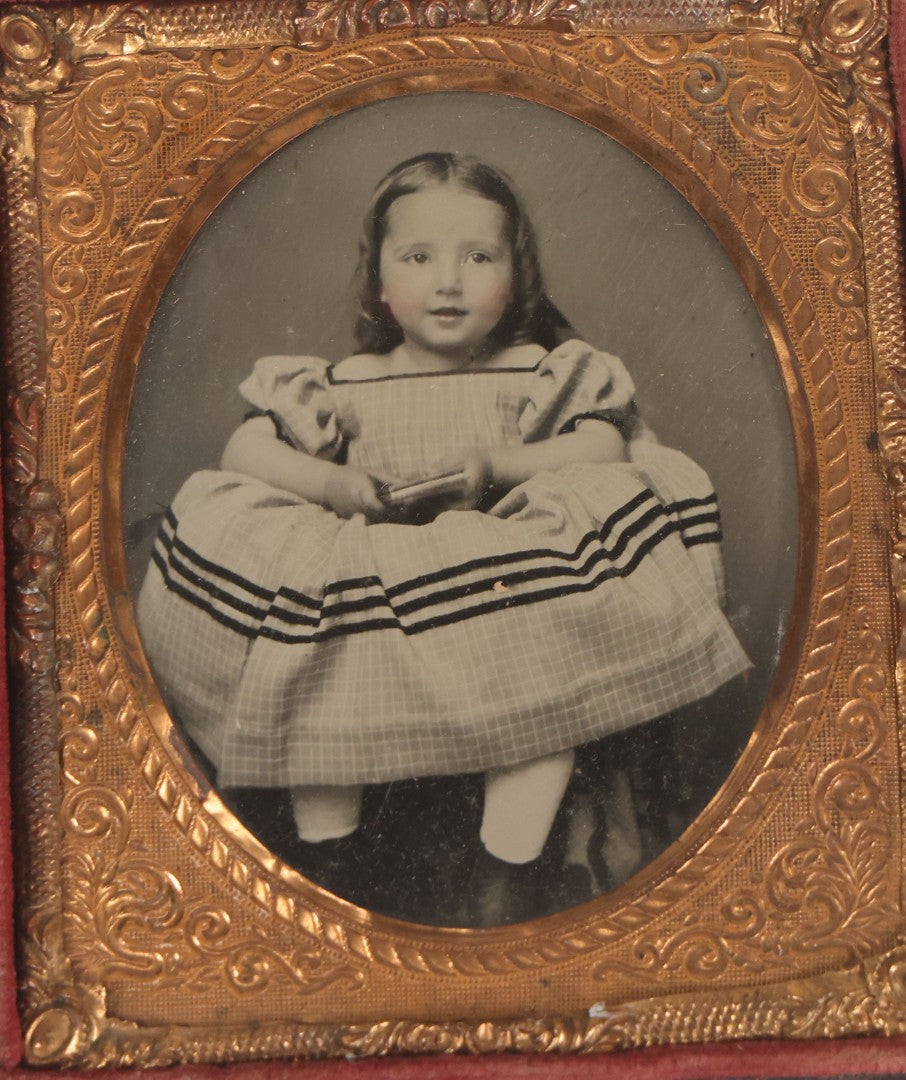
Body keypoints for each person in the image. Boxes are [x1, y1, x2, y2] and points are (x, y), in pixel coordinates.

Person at [137, 153, 749, 924]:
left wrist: (496, 466)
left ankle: (509, 868)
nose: (449, 282)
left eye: (478, 257)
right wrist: (334, 485)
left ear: (515, 277)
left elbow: (601, 452)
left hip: (502, 605)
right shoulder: (342, 385)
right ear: (382, 282)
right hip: (377, 611)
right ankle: (334, 856)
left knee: (541, 684)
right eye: (419, 258)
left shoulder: (542, 373)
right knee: (319, 675)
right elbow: (244, 454)